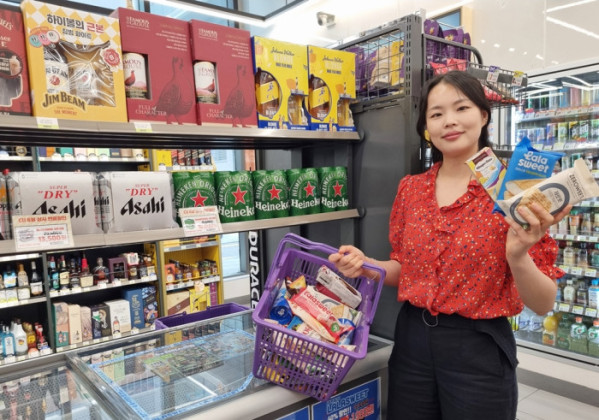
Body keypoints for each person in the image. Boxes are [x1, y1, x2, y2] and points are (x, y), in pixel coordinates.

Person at [328, 70, 570, 420]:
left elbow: (543, 303)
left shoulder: (515, 191)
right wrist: (367, 265)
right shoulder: (411, 190)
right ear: (427, 127)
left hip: (479, 350)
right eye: (437, 113)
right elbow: (405, 269)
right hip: (412, 342)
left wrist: (518, 256)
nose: (449, 121)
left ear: (483, 115)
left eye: (461, 108)